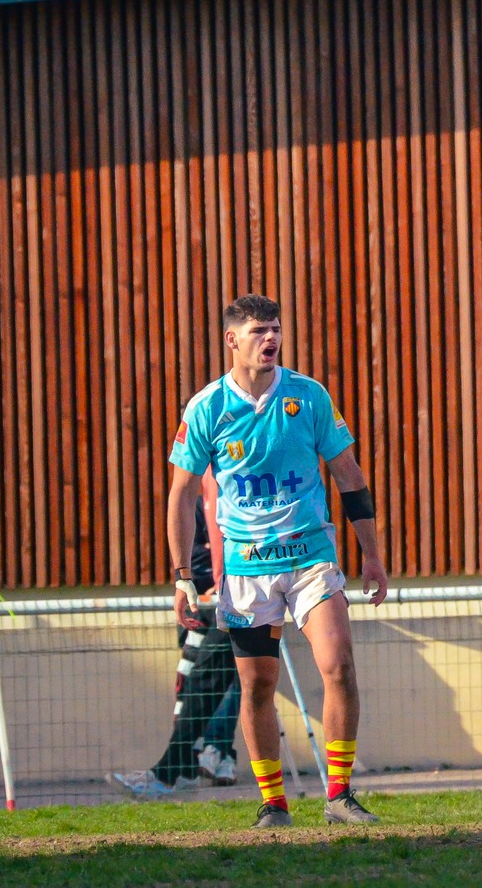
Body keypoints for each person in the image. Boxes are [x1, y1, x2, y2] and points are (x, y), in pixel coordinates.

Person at [165, 294, 390, 829]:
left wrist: (372, 555)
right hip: (247, 568)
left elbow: (349, 476)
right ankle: (274, 803)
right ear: (232, 340)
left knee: (338, 665)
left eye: (276, 329)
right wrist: (182, 578)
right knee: (257, 685)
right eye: (259, 330)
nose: (271, 339)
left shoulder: (309, 396)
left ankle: (339, 795)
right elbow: (181, 495)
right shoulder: (206, 408)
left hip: (311, 557)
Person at [111, 482, 238, 800]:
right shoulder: (201, 499)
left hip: (249, 592)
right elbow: (196, 551)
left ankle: (216, 756)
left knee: (237, 684)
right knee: (205, 678)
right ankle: (177, 768)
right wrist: (186, 581)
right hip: (223, 600)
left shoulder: (233, 488)